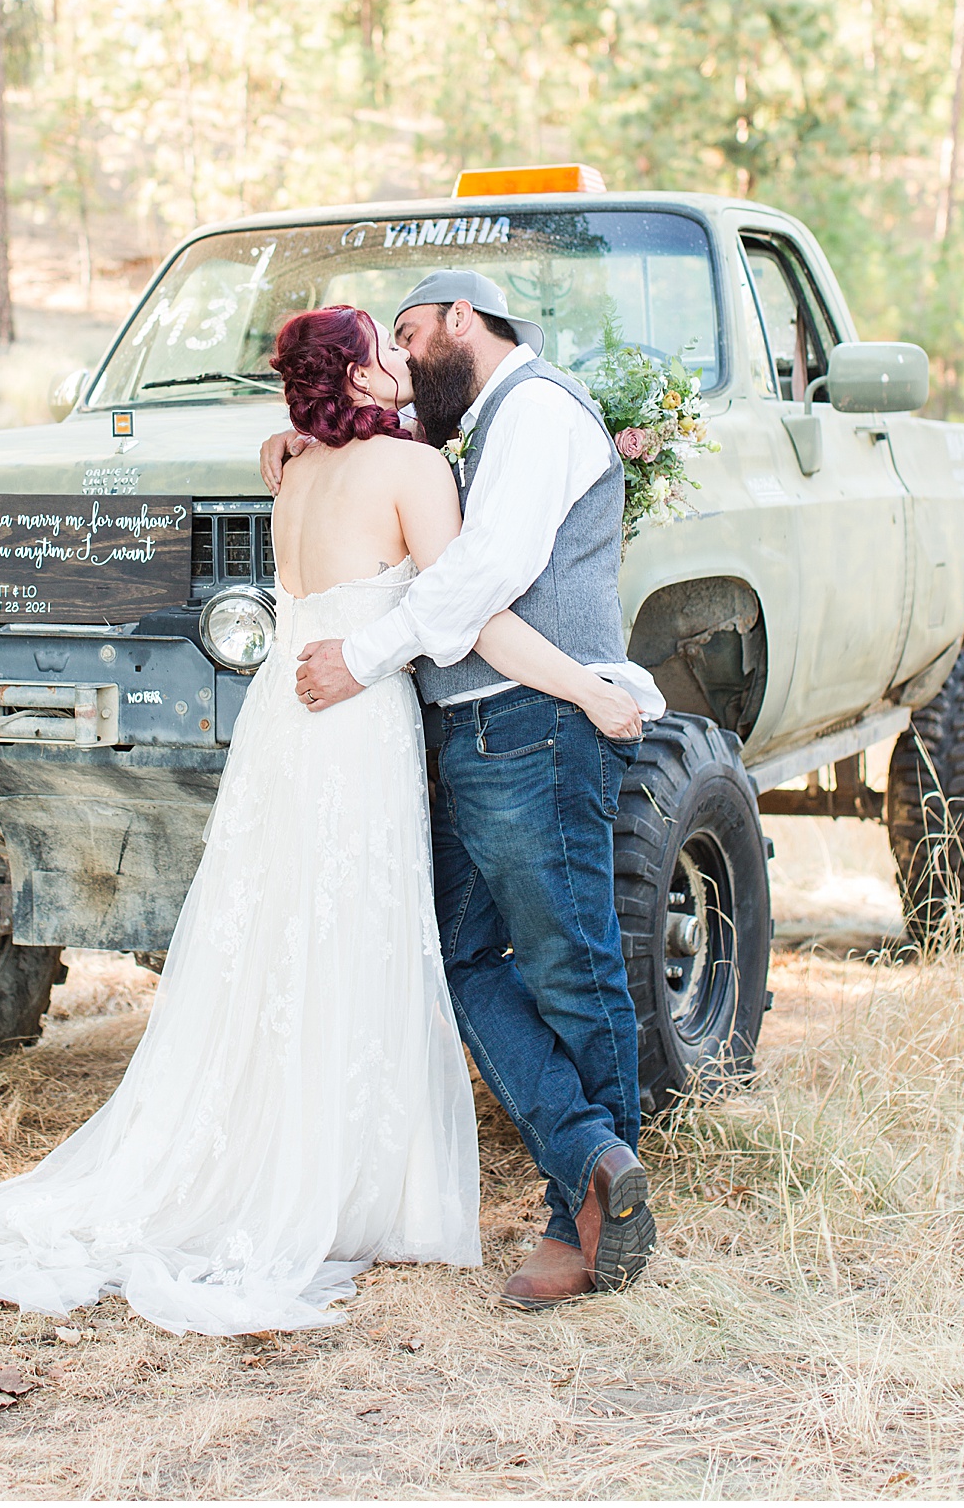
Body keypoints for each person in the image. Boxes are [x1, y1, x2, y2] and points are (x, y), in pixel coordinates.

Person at [0, 305, 631, 1336]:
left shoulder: (291, 470)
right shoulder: (413, 471)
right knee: (369, 936)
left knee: (285, 938)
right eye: (387, 351)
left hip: (287, 717)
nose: (405, 364)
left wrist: (295, 431)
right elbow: (475, 609)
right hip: (357, 719)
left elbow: (335, 520)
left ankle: (298, 1160)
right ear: (358, 376)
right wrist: (590, 689)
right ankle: (391, 1177)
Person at [265, 270, 664, 1309]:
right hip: (476, 730)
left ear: (460, 320)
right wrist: (305, 440)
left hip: (530, 728)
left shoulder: (534, 410)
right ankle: (591, 1160)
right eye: (379, 345)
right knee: (459, 955)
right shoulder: (475, 428)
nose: (401, 359)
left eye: (409, 332)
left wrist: (366, 652)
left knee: (571, 965)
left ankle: (585, 1220)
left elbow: (484, 569)